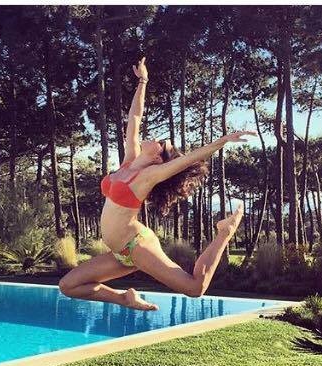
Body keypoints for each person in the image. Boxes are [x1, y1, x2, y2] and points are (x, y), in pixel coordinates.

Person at [59, 57, 256, 311]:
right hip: (119, 253)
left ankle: (224, 233)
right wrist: (143, 81)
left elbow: (187, 160)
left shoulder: (146, 177)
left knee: (194, 288)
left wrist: (222, 141)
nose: (156, 139)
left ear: (157, 158)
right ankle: (124, 298)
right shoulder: (129, 161)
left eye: (162, 143)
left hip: (137, 245)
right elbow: (135, 117)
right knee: (68, 285)